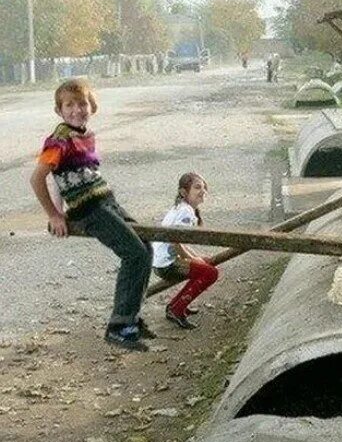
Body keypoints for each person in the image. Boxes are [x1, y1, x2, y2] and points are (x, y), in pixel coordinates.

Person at [30, 79, 154, 351]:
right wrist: (55, 215)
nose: (77, 110)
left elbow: (62, 176)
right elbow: (38, 177)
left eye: (82, 103)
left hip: (106, 200)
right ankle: (119, 327)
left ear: (92, 106)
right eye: (69, 105)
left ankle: (131, 317)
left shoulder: (85, 135)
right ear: (59, 111)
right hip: (90, 211)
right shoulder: (59, 141)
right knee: (135, 254)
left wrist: (60, 207)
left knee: (146, 247)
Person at [152, 172, 219, 329]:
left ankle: (176, 305)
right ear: (183, 192)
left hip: (161, 260)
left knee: (205, 265)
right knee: (210, 273)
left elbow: (181, 242)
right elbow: (176, 241)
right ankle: (177, 309)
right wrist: (193, 259)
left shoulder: (182, 208)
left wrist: (197, 257)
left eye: (204, 188)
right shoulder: (186, 212)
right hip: (167, 264)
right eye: (197, 187)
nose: (202, 191)